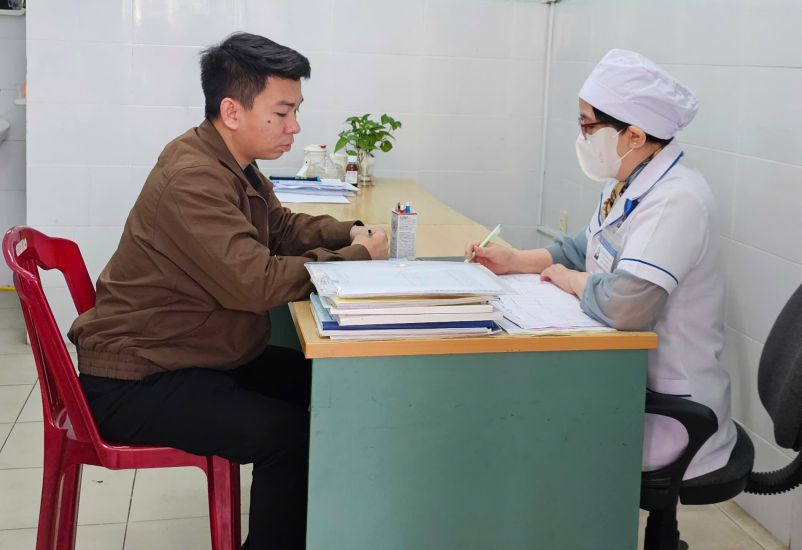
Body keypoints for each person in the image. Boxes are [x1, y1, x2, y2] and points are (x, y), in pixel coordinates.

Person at [69, 32, 388, 549]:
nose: (295, 126)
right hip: (139, 377)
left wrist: (348, 231)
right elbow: (255, 282)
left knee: (334, 385)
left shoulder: (229, 160)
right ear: (233, 110)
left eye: (296, 111)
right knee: (288, 436)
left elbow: (279, 228)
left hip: (190, 351)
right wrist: (354, 259)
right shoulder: (193, 176)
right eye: (282, 113)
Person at [466, 49, 736, 480]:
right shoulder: (630, 182)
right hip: (621, 380)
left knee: (529, 436)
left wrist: (571, 281)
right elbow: (582, 249)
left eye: (588, 124)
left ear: (633, 135)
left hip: (668, 409)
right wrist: (514, 260)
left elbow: (627, 306)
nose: (582, 135)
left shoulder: (676, 199)